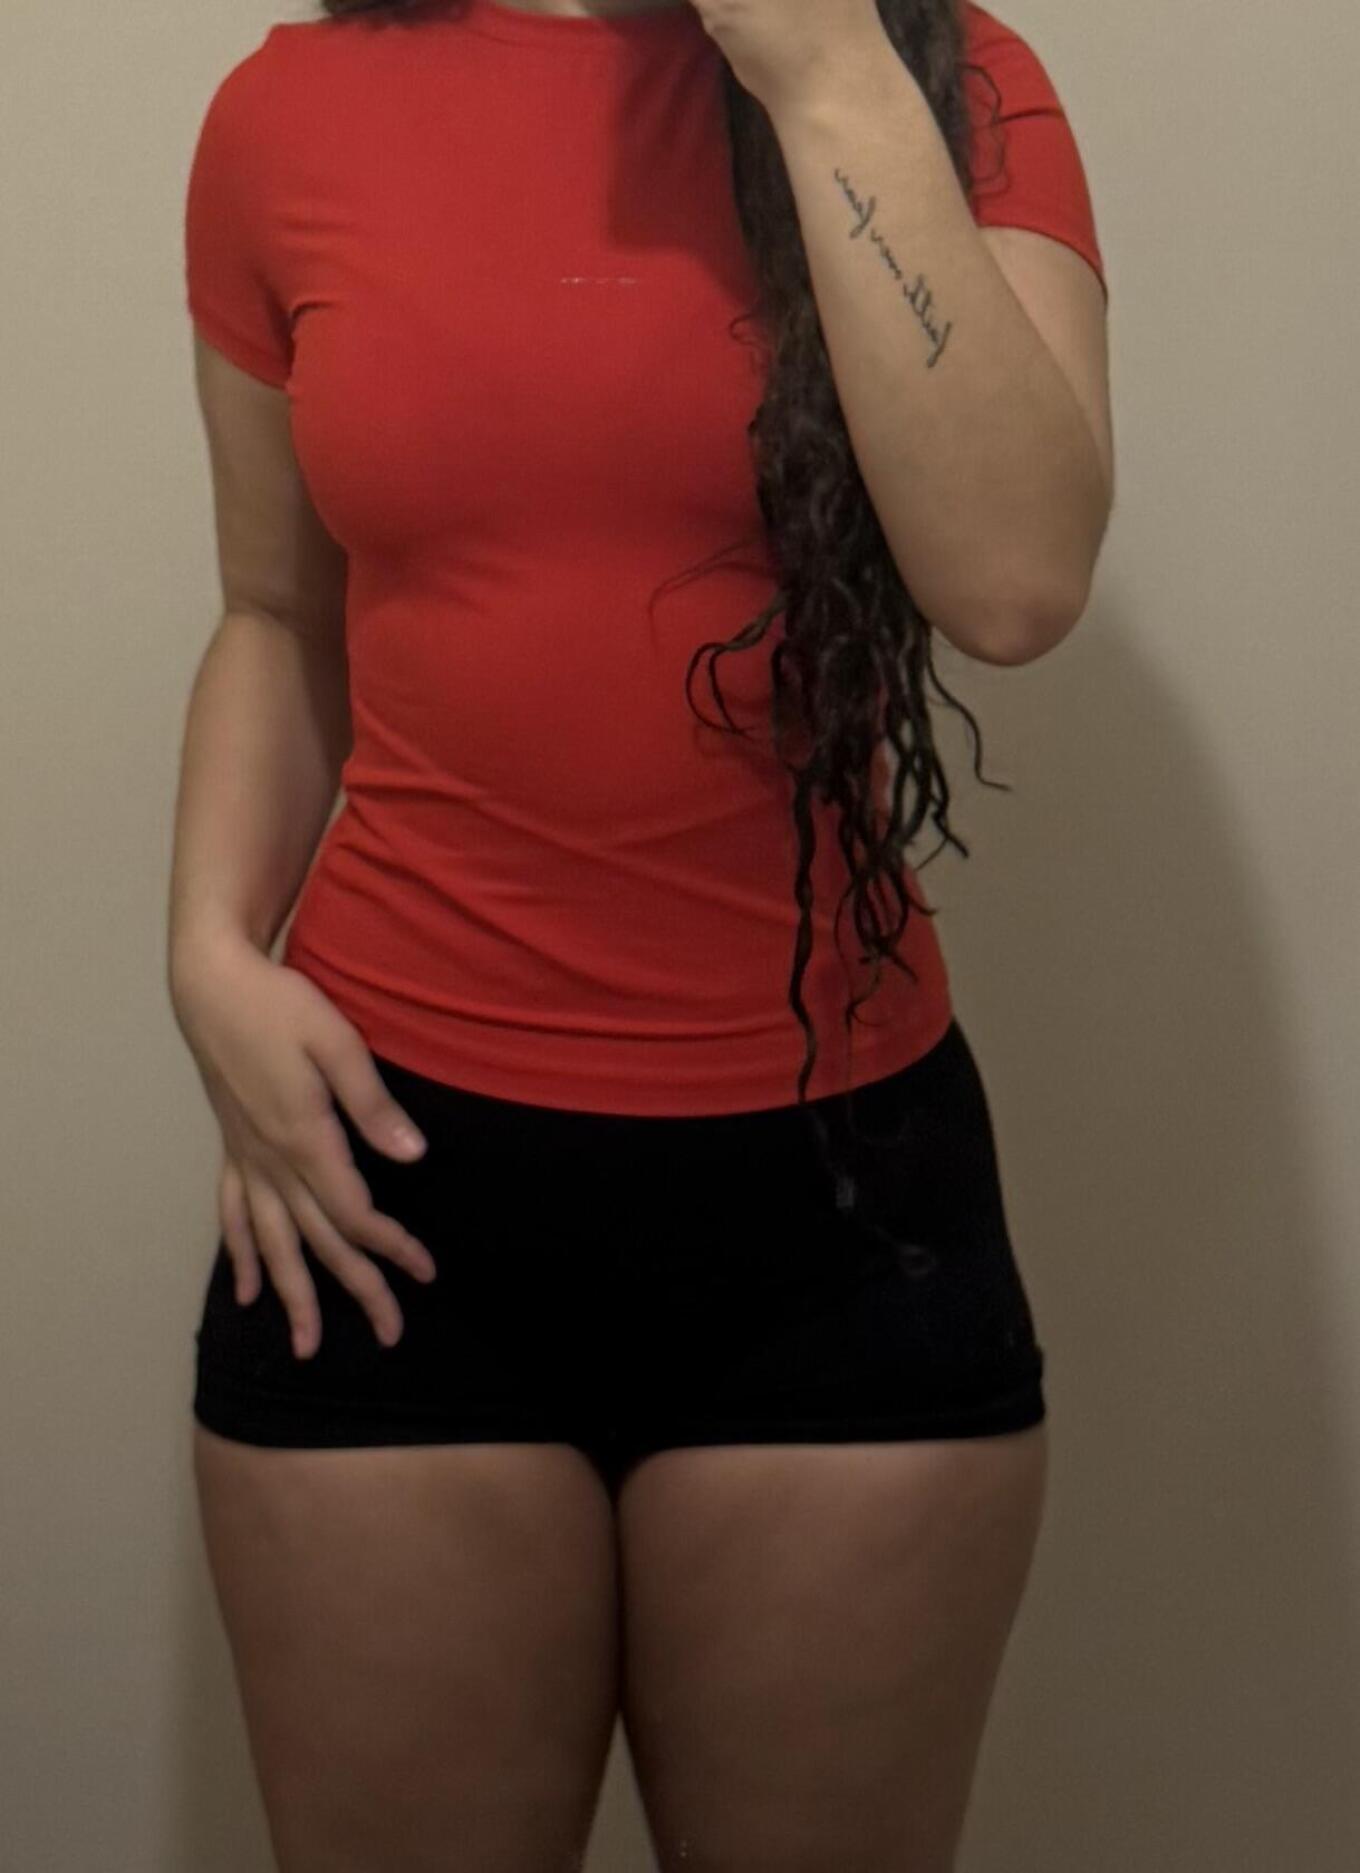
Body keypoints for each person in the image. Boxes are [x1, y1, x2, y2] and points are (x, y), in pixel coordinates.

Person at [168, 1, 1113, 1867]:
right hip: (384, 1185)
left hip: (838, 1200)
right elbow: (276, 613)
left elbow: (1015, 580)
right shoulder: (289, 114)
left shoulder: (953, 82)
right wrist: (209, 951)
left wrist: (822, 69)